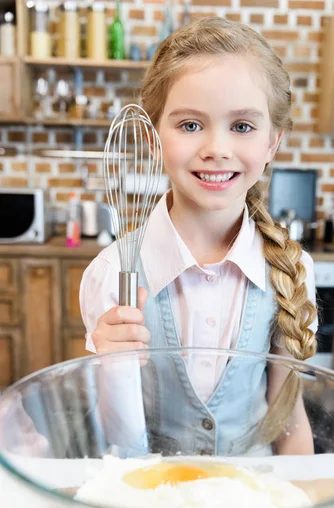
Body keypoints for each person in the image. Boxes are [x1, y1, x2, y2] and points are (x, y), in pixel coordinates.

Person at [80, 17, 318, 457]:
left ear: (273, 143)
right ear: (153, 140)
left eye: (242, 127)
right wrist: (110, 366)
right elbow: (112, 437)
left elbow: (288, 419)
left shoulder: (290, 269)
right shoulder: (113, 274)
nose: (216, 148)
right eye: (190, 125)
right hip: (152, 503)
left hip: (252, 504)